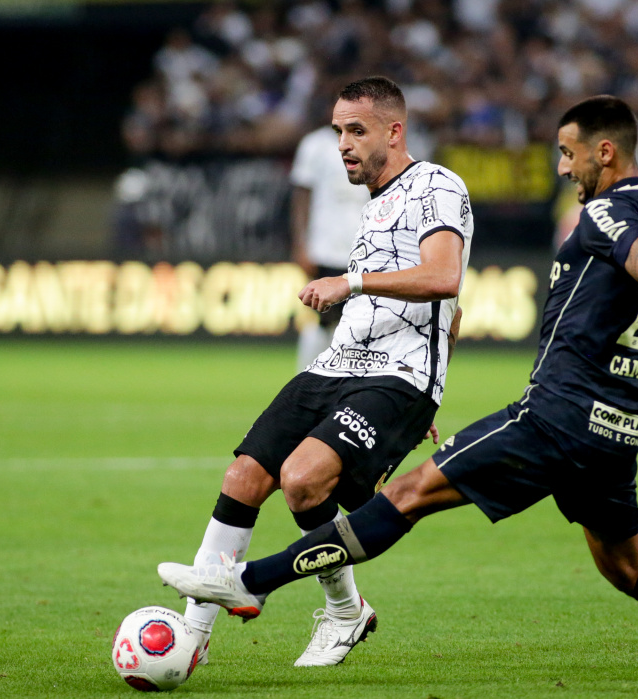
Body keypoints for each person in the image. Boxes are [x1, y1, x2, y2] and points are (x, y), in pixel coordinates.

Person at [160, 95, 638, 685]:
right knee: (629, 569)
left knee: (403, 497)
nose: (563, 167)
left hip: (552, 416)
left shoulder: (607, 215)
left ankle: (251, 580)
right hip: (614, 436)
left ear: (604, 155)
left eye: (568, 154)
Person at [175, 75, 474, 668]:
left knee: (303, 479)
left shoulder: (436, 184)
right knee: (243, 478)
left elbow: (444, 279)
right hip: (337, 363)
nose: (343, 143)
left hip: (395, 374)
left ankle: (340, 612)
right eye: (339, 130)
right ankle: (193, 636)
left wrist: (424, 390)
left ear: (395, 130)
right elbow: (452, 313)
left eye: (356, 131)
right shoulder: (375, 204)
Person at [290, 116, 372, 371]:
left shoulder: (370, 143)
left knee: (360, 319)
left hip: (364, 248)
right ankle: (307, 375)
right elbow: (301, 197)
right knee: (322, 318)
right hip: (324, 246)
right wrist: (301, 243)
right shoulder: (314, 144)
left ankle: (343, 376)